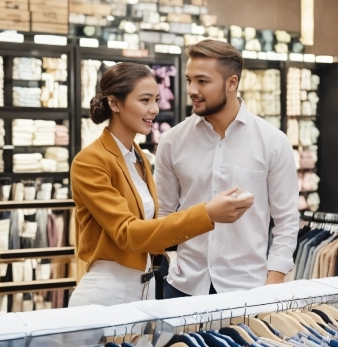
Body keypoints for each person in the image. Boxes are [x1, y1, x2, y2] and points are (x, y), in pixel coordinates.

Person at [69, 62, 254, 307]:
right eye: (144, 100)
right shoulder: (90, 161)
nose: (154, 109)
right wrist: (206, 213)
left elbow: (153, 227)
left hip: (146, 288)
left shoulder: (138, 157)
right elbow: (128, 233)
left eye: (156, 100)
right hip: (106, 293)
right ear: (114, 103)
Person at [155, 40, 299, 298]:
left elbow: (287, 219)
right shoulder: (172, 141)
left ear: (231, 83)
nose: (192, 90)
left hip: (248, 289)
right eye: (189, 80)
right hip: (182, 287)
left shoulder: (272, 142)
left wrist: (274, 281)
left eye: (202, 81)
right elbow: (163, 215)